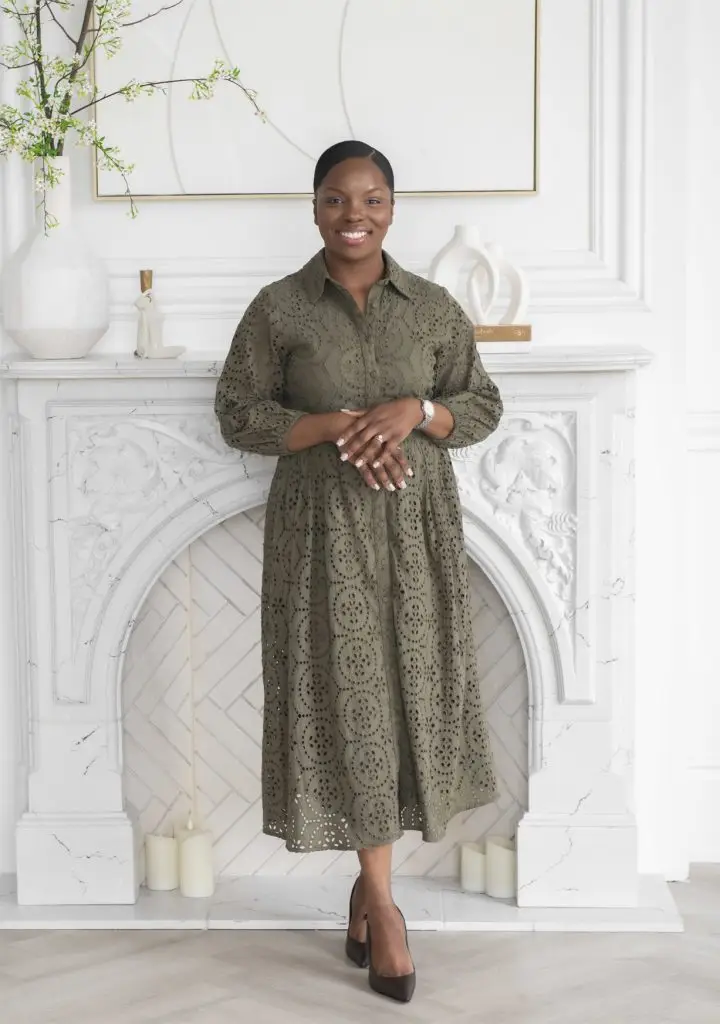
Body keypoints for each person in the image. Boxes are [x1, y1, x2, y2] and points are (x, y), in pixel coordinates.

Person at [214, 140, 504, 1003]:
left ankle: (366, 893)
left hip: (417, 534)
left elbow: (482, 406)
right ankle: (384, 907)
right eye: (338, 199)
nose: (355, 215)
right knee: (349, 701)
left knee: (408, 696)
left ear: (391, 209)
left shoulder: (435, 308)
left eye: (372, 199)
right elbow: (238, 414)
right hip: (320, 534)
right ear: (314, 209)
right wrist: (337, 425)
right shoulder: (278, 309)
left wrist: (416, 410)